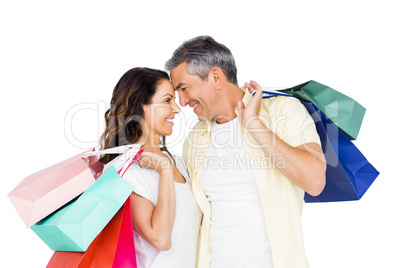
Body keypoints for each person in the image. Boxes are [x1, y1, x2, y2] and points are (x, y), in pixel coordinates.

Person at [165, 36, 327, 268]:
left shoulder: (284, 111)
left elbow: (315, 181)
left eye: (184, 88)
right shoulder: (195, 138)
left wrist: (253, 124)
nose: (181, 101)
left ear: (216, 77)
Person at [99, 67, 202, 268]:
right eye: (167, 100)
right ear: (141, 107)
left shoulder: (178, 162)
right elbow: (160, 239)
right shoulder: (124, 170)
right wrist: (163, 171)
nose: (177, 109)